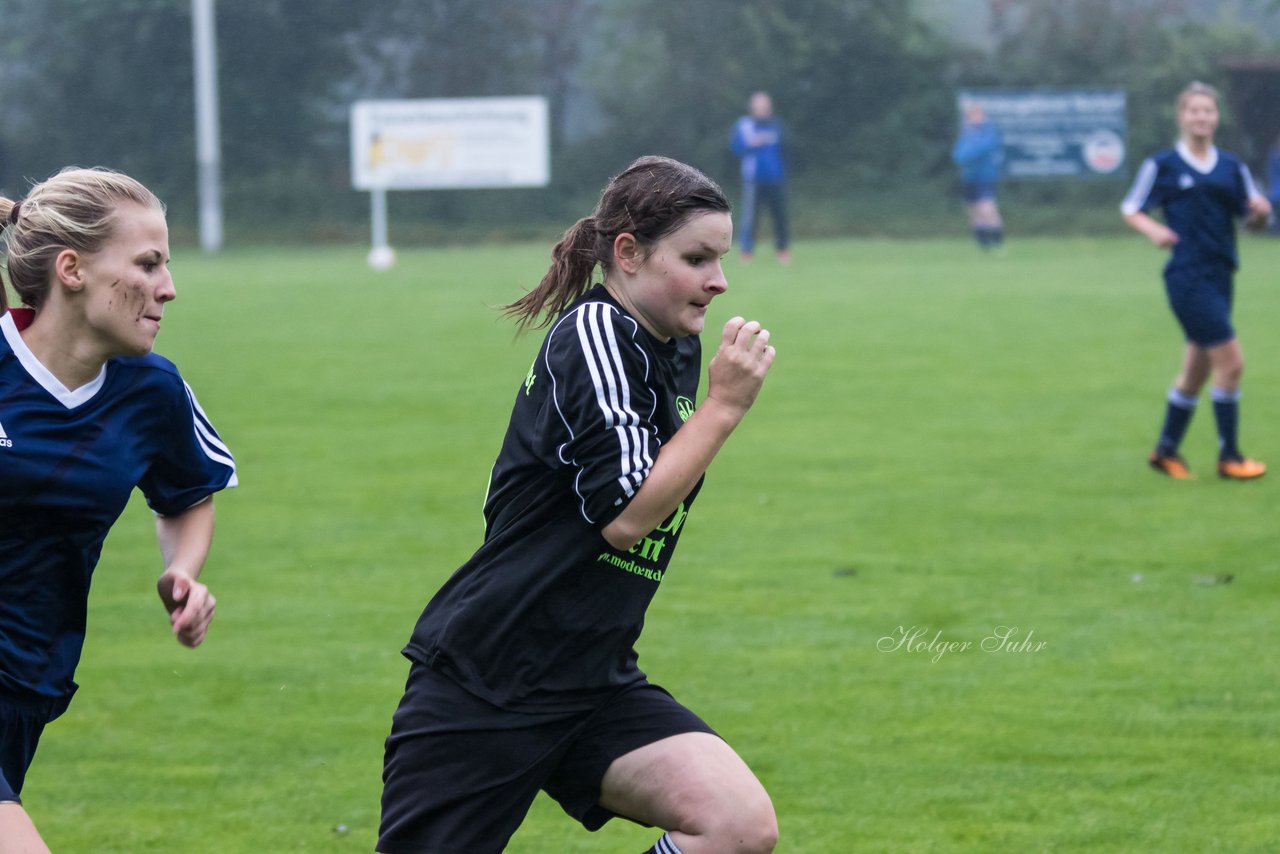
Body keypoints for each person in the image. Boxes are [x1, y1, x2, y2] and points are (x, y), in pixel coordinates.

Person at [378, 155, 778, 854]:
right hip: (490, 680)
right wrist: (722, 408)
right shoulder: (596, 335)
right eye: (696, 258)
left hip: (593, 683)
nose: (719, 279)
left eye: (719, 258)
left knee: (737, 825)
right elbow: (625, 517)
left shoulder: (673, 346)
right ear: (627, 253)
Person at [0, 167, 237, 852]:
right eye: (148, 263)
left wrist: (183, 573)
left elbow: (188, 491)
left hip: (26, 686)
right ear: (72, 269)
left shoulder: (150, 391)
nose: (168, 287)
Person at [1121, 81, 1271, 480]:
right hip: (1187, 276)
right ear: (1182, 116)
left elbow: (1253, 221)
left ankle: (1165, 450)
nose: (1201, 117)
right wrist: (1155, 232)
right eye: (1194, 110)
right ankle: (1231, 457)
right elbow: (1131, 208)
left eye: (1208, 110)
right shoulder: (1164, 164)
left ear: (1216, 117)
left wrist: (1258, 213)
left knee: (1196, 371)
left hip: (1223, 273)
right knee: (1232, 363)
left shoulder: (1231, 166)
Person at [730, 91, 790, 263]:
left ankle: (782, 250)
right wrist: (750, 144)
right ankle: (746, 251)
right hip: (753, 178)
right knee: (751, 216)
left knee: (779, 215)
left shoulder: (777, 126)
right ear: (752, 108)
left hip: (775, 177)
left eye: (765, 106)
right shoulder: (744, 125)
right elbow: (736, 148)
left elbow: (785, 150)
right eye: (759, 106)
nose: (762, 109)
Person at [952, 100, 1005, 251]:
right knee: (974, 209)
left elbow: (983, 148)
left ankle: (997, 240)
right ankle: (983, 244)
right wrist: (969, 154)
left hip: (986, 176)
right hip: (970, 177)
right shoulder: (967, 134)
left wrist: (970, 153)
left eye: (977, 115)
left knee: (987, 207)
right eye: (971, 116)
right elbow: (957, 155)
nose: (974, 118)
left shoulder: (989, 132)